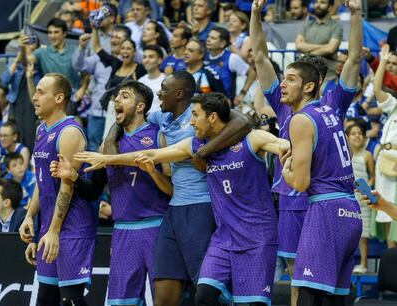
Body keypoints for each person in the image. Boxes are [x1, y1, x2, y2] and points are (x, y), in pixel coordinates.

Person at [75, 92, 286, 306]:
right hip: (224, 237)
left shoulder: (252, 139)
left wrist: (288, 160)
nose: (191, 121)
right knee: (204, 295)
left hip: (257, 235)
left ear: (212, 117)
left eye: (195, 115)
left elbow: (282, 146)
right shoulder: (195, 144)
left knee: (252, 303)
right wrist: (107, 158)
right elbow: (153, 155)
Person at [250, 0, 362, 303]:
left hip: (317, 195)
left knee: (311, 281)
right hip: (293, 199)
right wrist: (255, 15)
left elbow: (353, 60)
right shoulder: (283, 103)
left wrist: (355, 15)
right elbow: (260, 55)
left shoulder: (329, 105)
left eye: (291, 78)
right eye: (284, 78)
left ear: (312, 86)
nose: (283, 83)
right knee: (298, 275)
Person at [51, 80, 171, 306]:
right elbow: (94, 191)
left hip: (157, 226)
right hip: (123, 230)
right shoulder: (107, 145)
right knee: (120, 302)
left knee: (165, 300)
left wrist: (153, 172)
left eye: (124, 96)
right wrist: (73, 177)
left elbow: (171, 189)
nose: (116, 99)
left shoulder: (158, 136)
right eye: (116, 97)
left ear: (140, 106)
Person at [19, 73, 96, 306]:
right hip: (49, 225)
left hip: (72, 226)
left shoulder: (69, 132)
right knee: (46, 298)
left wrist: (53, 231)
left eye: (41, 92)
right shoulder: (42, 129)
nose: (34, 97)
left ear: (59, 97)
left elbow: (67, 185)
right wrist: (30, 216)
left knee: (71, 300)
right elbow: (41, 179)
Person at [72, 24, 131, 151]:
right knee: (93, 146)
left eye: (118, 37)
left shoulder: (130, 60)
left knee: (117, 147)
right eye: (113, 37)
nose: (114, 40)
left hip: (118, 113)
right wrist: (81, 47)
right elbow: (79, 66)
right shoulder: (101, 57)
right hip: (97, 110)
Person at [372, 44, 397, 248]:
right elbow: (377, 89)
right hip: (384, 162)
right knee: (385, 210)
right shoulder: (394, 106)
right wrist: (382, 61)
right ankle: (391, 255)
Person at [345, 123, 375, 274]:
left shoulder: (367, 155)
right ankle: (346, 265)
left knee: (363, 234)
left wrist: (366, 189)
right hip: (348, 197)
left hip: (362, 199)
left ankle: (363, 264)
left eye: (360, 133)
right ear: (347, 137)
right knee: (347, 233)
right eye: (353, 133)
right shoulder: (345, 156)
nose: (357, 136)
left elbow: (372, 176)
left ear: (363, 138)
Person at [205, 27, 256, 105]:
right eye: (208, 37)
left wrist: (242, 94)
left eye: (213, 38)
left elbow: (252, 73)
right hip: (206, 101)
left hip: (225, 104)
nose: (208, 39)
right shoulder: (203, 56)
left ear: (222, 43)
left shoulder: (232, 58)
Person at [295, 0, 343, 82]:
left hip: (328, 76)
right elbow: (299, 45)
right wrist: (324, 46)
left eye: (323, 2)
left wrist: (307, 55)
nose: (318, 5)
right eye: (316, 2)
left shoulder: (336, 26)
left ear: (330, 7)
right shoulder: (307, 25)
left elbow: (330, 49)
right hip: (305, 74)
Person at [138, 45, 165, 113]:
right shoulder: (140, 81)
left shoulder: (166, 80)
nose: (147, 60)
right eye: (144, 57)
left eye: (151, 57)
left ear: (159, 60)